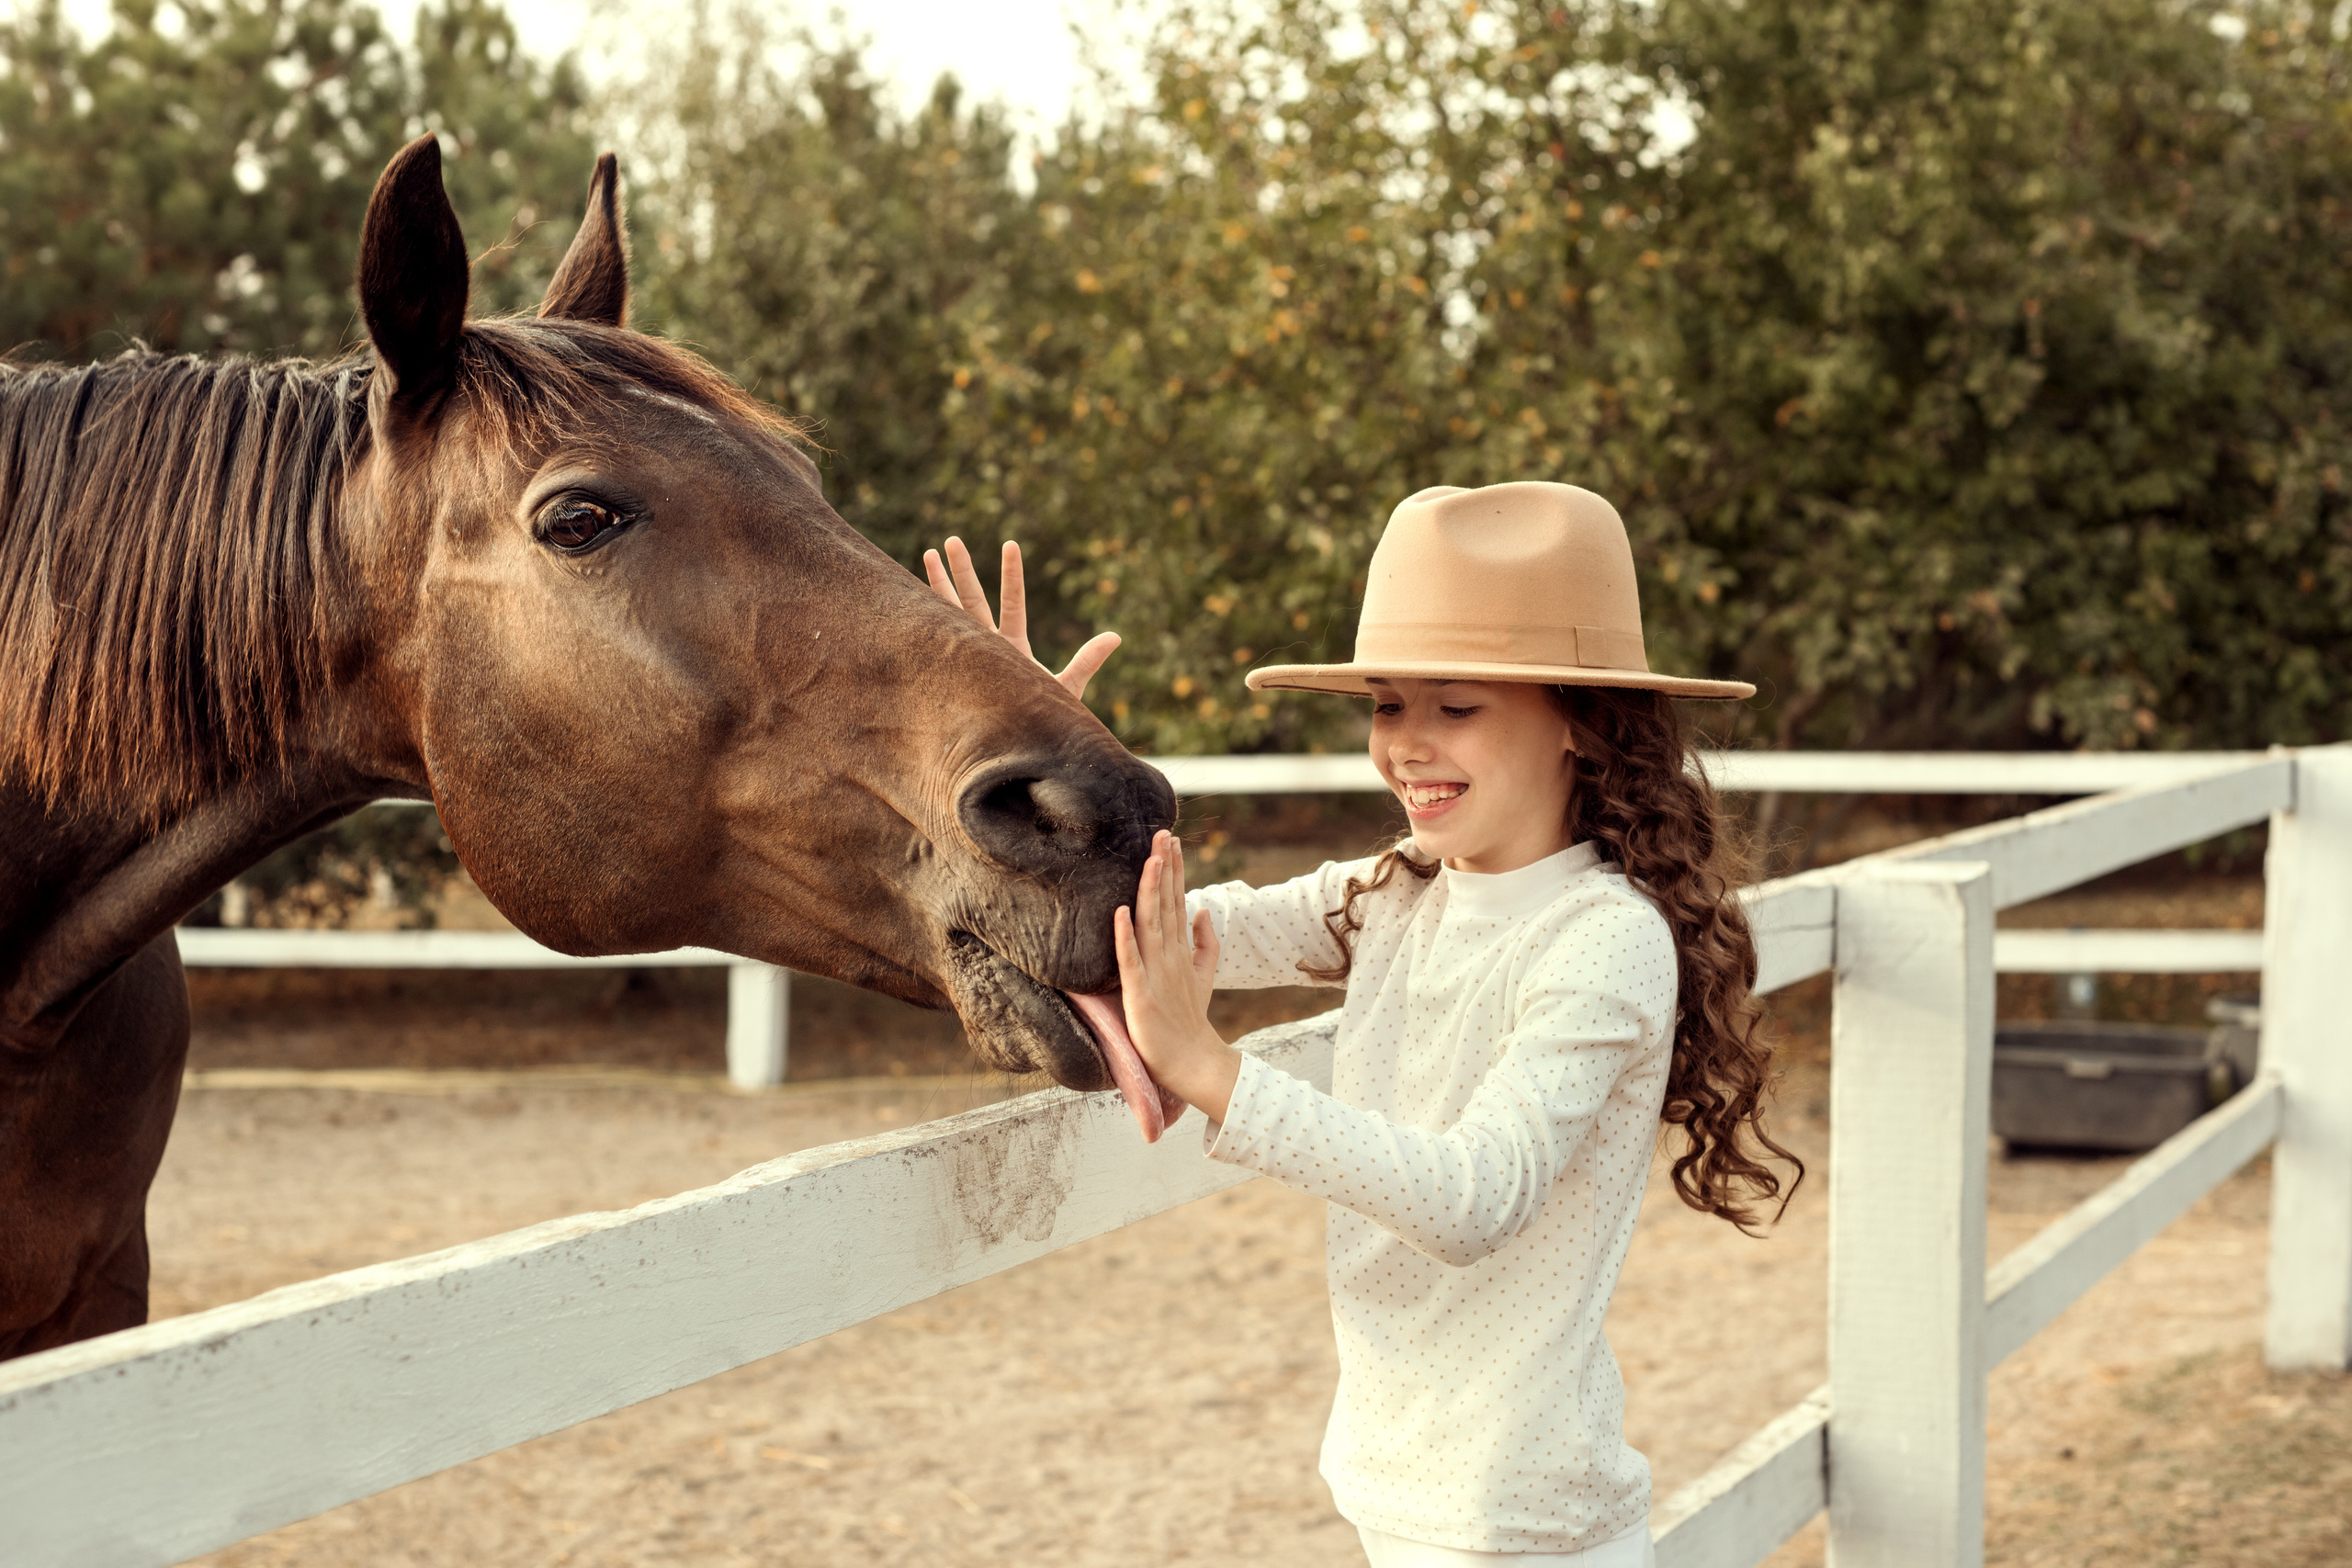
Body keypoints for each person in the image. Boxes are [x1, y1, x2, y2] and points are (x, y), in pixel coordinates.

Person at [927, 480, 1802, 1568]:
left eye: (1456, 706)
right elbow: (1156, 926)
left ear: (1580, 723)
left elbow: (1472, 1197)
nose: (1407, 746)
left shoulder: (1601, 938)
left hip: (1520, 1524)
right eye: (1388, 705)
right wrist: (1034, 771)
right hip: (1398, 1491)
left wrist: (1209, 1069)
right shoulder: (1400, 890)